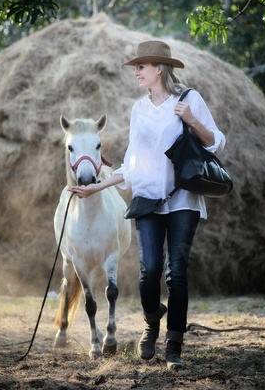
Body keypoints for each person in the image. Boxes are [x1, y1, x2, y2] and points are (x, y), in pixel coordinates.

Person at [69, 40, 226, 370]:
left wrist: (192, 120)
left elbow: (215, 143)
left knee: (177, 273)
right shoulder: (138, 109)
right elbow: (131, 163)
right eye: (137, 67)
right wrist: (98, 184)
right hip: (147, 202)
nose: (137, 72)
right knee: (149, 271)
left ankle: (173, 346)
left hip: (183, 200)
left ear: (159, 69)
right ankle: (152, 321)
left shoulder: (188, 99)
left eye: (142, 67)